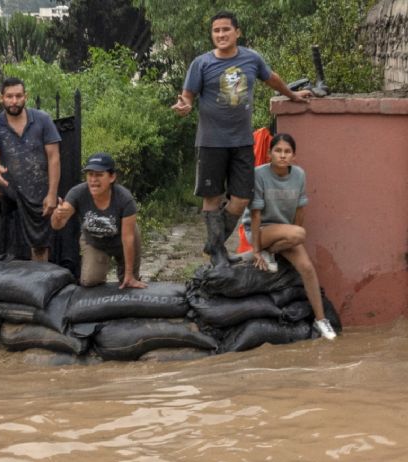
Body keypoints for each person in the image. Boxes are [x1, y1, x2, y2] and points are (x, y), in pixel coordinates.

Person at [171, 10, 311, 268]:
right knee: (212, 197)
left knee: (242, 198)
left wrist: (292, 95)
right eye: (216, 31)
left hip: (241, 141)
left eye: (226, 29)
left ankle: (213, 246)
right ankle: (218, 253)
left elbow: (272, 78)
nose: (221, 35)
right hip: (211, 141)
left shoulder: (251, 59)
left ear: (238, 32)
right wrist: (185, 107)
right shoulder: (200, 64)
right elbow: (188, 97)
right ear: (212, 35)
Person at [243, 133, 337, 340]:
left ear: (294, 156)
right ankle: (263, 251)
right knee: (299, 233)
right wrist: (257, 249)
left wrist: (292, 240)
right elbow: (256, 214)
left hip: (285, 232)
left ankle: (321, 320)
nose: (282, 155)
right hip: (259, 231)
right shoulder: (259, 174)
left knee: (307, 268)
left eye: (287, 152)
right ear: (269, 154)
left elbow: (300, 210)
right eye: (278, 151)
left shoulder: (299, 175)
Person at [0, 77, 61, 263]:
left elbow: (54, 158)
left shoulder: (43, 120)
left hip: (38, 191)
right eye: (9, 96)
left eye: (18, 96)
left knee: (40, 250)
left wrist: (52, 194)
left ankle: (39, 282)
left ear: (26, 97)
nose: (14, 101)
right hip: (8, 186)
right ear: (1, 98)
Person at [51, 153, 147, 289]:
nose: (93, 180)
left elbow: (128, 238)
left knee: (128, 282)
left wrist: (129, 274)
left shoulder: (125, 199)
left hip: (123, 239)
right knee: (89, 282)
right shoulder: (77, 193)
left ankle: (128, 276)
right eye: (90, 174)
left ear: (112, 177)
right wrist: (57, 215)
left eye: (99, 175)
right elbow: (57, 225)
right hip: (94, 241)